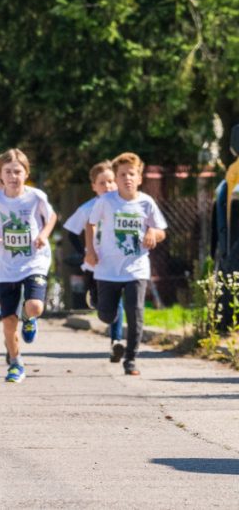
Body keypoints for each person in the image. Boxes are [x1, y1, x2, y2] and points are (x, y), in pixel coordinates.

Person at [0, 149, 57, 384]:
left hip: (35, 260)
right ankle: (15, 363)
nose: (13, 176)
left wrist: (43, 233)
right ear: (1, 176)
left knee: (34, 306)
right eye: (8, 172)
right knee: (8, 321)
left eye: (18, 171)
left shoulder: (36, 197)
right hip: (7, 266)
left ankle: (30, 317)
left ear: (26, 173)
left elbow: (51, 217)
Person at [86, 152, 167, 376]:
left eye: (131, 174)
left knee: (135, 313)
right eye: (122, 174)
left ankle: (130, 360)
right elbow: (90, 224)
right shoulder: (106, 202)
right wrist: (91, 251)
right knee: (107, 316)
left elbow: (161, 231)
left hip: (136, 268)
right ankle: (96, 299)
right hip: (108, 269)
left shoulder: (146, 203)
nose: (127, 178)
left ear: (139, 178)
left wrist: (152, 232)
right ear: (117, 177)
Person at [63, 161, 123, 358]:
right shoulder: (88, 208)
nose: (108, 187)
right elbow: (71, 232)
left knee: (117, 300)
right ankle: (95, 299)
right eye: (102, 183)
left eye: (111, 181)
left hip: (117, 262)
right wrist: (85, 252)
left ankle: (116, 341)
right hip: (94, 264)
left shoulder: (124, 204)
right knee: (102, 303)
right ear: (94, 186)